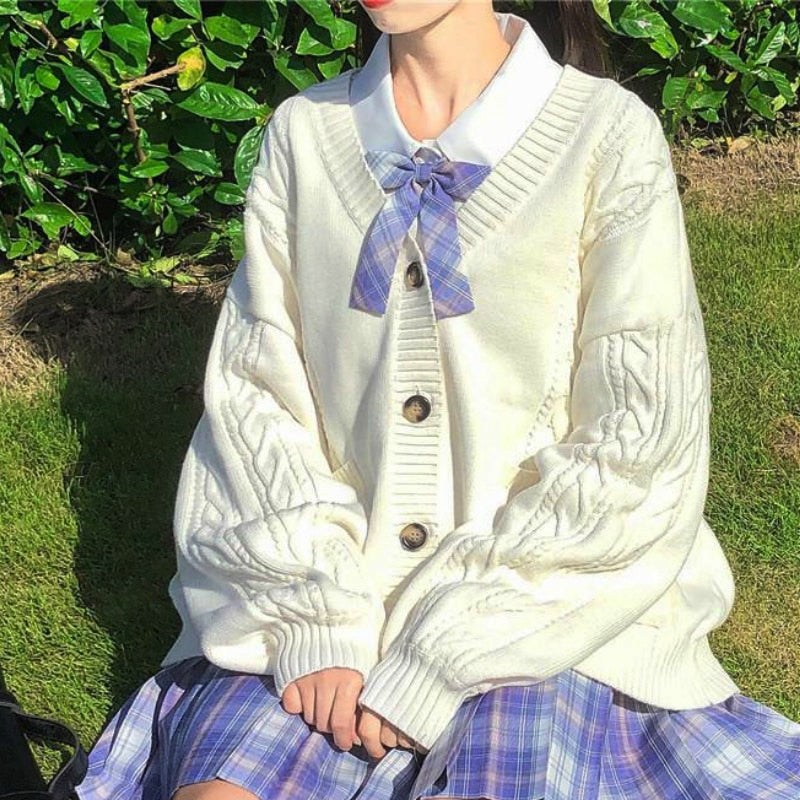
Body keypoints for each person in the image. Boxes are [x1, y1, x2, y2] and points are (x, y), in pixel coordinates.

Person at [76, 1, 800, 799]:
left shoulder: (606, 134)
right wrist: (315, 620)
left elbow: (640, 441)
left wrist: (447, 650)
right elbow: (256, 404)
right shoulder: (303, 135)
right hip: (330, 598)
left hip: (541, 613)